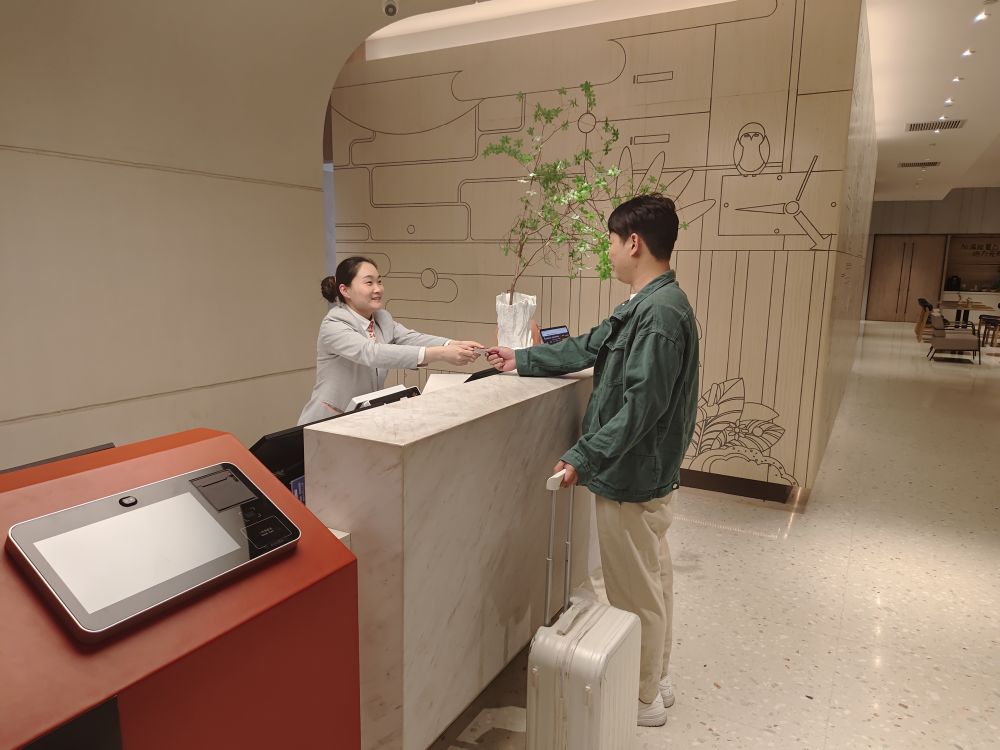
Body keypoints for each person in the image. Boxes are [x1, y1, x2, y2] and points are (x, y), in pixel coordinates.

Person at [486, 194, 698, 728]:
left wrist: (584, 454)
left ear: (634, 242)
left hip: (633, 475)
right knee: (652, 580)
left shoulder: (658, 314)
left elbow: (642, 407)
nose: (608, 252)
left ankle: (643, 697)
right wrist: (521, 358)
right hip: (643, 473)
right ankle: (656, 678)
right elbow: (587, 347)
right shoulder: (648, 303)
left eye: (610, 242)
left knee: (634, 593)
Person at [298, 256, 485, 424]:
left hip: (361, 419)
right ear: (345, 290)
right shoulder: (333, 324)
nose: (378, 289)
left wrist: (452, 344)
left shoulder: (382, 318)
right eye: (369, 283)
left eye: (379, 281)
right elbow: (371, 353)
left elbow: (411, 338)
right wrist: (441, 354)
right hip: (327, 421)